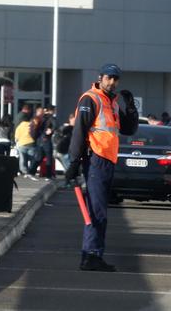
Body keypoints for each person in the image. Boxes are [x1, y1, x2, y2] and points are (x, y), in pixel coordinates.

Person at [64, 63, 138, 272]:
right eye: (109, 78)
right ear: (101, 77)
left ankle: (93, 255)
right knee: (96, 212)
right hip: (96, 160)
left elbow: (128, 129)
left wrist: (131, 107)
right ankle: (91, 256)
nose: (113, 82)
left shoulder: (111, 102)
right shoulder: (91, 98)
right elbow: (79, 132)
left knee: (99, 210)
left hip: (107, 161)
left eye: (116, 79)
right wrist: (74, 162)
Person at [15, 113, 38, 179]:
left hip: (22, 144)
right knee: (32, 159)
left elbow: (16, 136)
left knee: (23, 159)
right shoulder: (32, 124)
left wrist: (17, 142)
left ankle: (25, 172)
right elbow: (35, 133)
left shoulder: (19, 126)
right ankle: (31, 171)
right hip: (31, 143)